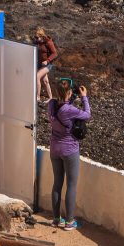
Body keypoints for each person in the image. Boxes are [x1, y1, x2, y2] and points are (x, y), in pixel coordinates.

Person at [47, 79, 90, 231]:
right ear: (70, 92)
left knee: (57, 183)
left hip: (54, 148)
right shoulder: (69, 110)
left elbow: (63, 103)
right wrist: (84, 97)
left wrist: (71, 96)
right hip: (69, 149)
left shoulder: (51, 104)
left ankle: (56, 219)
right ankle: (70, 222)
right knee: (71, 185)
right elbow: (86, 114)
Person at [34, 28, 59, 103]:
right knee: (45, 81)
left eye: (38, 37)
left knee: (37, 76)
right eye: (36, 37)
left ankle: (37, 97)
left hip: (48, 64)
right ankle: (50, 98)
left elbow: (55, 53)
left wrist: (47, 60)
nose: (37, 39)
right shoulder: (37, 42)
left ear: (42, 36)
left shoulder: (48, 42)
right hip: (40, 64)